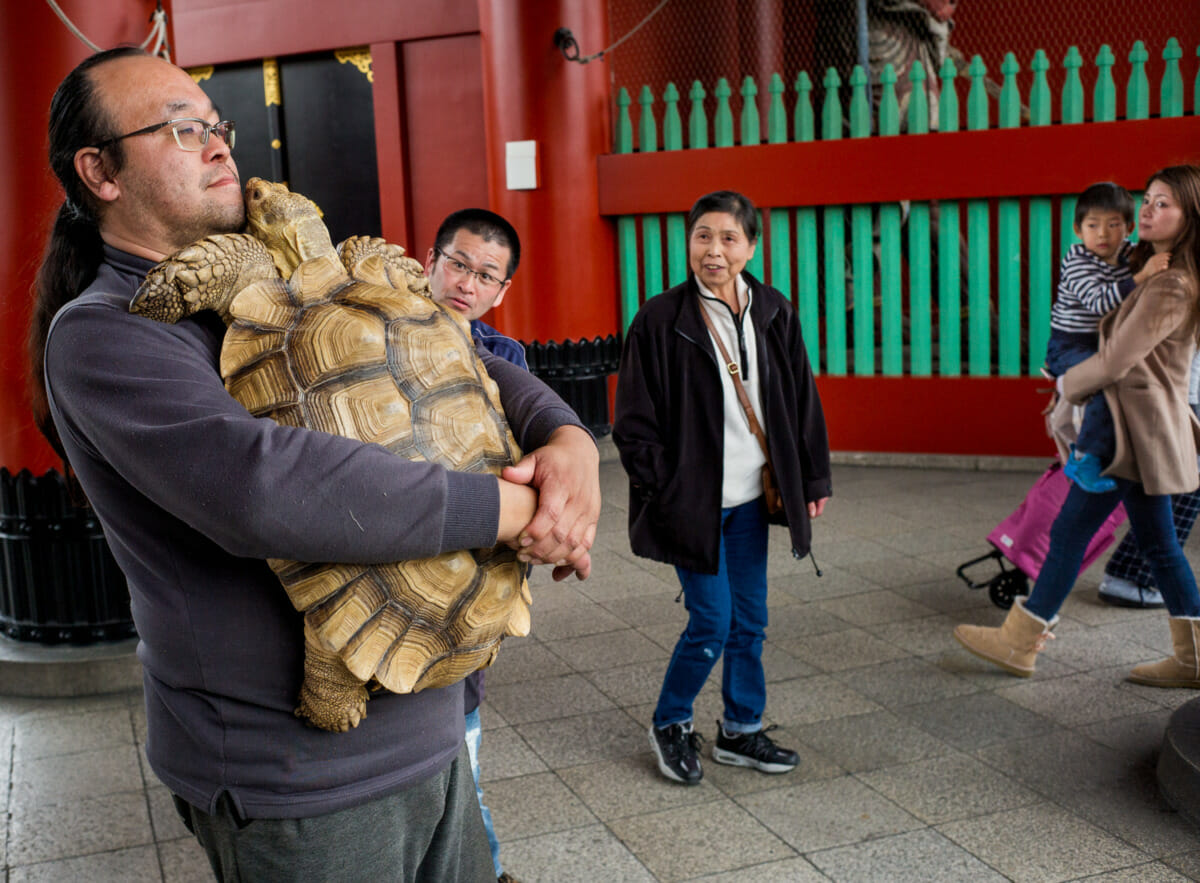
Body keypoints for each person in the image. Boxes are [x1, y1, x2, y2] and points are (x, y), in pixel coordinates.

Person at [29, 47, 600, 882]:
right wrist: (520, 512)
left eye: (216, 125)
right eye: (182, 130)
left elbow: (453, 350)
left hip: (435, 730)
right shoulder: (106, 333)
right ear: (100, 171)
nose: (221, 144)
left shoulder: (301, 275)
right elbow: (267, 486)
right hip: (300, 779)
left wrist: (568, 443)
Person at [613, 190, 832, 786]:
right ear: (688, 244)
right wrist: (667, 487)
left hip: (751, 502)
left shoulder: (774, 311)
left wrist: (810, 475)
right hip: (694, 504)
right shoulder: (661, 320)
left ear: (751, 246)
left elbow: (800, 400)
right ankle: (670, 721)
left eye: (728, 238)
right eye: (702, 236)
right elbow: (633, 423)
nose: (714, 250)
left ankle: (740, 728)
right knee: (711, 620)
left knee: (751, 620)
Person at [954, 165, 1200, 688]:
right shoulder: (1151, 266)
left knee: (1072, 530)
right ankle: (1192, 659)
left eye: (1162, 204)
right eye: (1149, 201)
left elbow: (1115, 361)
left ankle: (1020, 642)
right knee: (1156, 546)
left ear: (1190, 216)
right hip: (1134, 430)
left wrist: (1066, 385)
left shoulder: (1171, 283)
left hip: (1127, 431)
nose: (1148, 212)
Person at [425, 207, 527, 883]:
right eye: (457, 263)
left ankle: (480, 870)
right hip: (386, 537)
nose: (467, 282)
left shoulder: (505, 358)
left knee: (464, 760)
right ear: (428, 260)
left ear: (502, 290)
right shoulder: (374, 329)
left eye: (486, 274)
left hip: (464, 563)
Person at [1044, 182, 1171, 492]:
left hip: (1104, 341)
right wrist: (1142, 277)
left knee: (1121, 382)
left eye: (1113, 225)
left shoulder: (1129, 253)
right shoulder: (1077, 261)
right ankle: (1084, 457)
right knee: (1104, 385)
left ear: (1128, 228)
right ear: (1077, 229)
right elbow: (1101, 302)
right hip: (1071, 344)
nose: (1102, 234)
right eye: (1092, 225)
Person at [1096, 347, 1200, 608]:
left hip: (1177, 392)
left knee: (1171, 490)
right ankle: (1128, 577)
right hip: (1179, 394)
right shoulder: (1174, 304)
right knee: (1182, 487)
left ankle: (1128, 574)